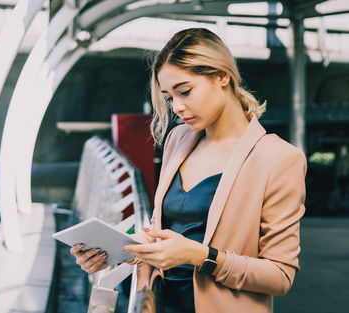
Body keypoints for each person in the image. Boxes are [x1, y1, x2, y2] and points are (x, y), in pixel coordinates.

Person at [70, 28, 306, 313]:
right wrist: (116, 251)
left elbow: (280, 276)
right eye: (169, 97)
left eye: (185, 91)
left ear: (222, 76)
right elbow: (160, 230)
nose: (178, 107)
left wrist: (201, 256)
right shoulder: (178, 139)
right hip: (160, 303)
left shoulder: (279, 158)